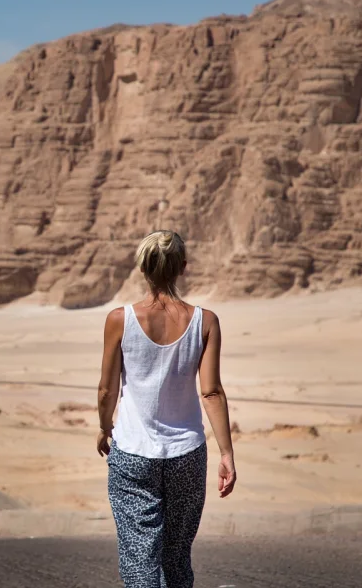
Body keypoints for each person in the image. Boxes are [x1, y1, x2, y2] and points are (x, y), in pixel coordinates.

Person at [97, 230, 236, 588]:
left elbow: (106, 389)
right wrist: (226, 453)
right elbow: (212, 393)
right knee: (176, 557)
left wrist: (104, 426)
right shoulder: (205, 322)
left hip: (131, 453)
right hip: (186, 455)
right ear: (183, 269)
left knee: (139, 559)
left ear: (142, 268)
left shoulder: (119, 319)